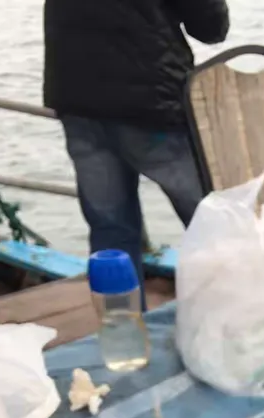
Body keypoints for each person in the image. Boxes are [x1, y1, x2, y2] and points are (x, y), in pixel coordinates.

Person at [43, 0, 230, 296]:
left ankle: (120, 319)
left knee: (110, 229)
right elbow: (210, 27)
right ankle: (233, 311)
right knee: (209, 220)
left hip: (77, 97)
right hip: (151, 102)